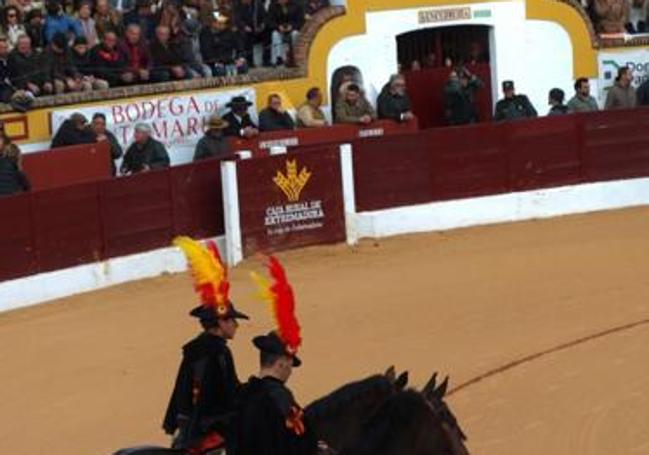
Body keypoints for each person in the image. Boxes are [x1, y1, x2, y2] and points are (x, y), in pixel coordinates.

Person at [163, 237, 250, 454]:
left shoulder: (194, 348)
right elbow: (226, 395)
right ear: (220, 323)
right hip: (207, 431)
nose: (236, 325)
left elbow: (184, 390)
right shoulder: (219, 352)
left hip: (187, 427)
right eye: (231, 320)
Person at [232, 257, 318, 455]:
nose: (290, 370)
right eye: (289, 363)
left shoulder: (244, 394)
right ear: (280, 363)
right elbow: (301, 439)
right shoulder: (280, 397)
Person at [267, 0, 304, 66]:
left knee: (295, 34)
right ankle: (279, 58)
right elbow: (270, 21)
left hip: (293, 30)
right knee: (274, 34)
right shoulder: (272, 6)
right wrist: (278, 27)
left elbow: (300, 21)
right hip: (279, 30)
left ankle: (296, 57)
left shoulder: (297, 5)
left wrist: (292, 27)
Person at [234, 0, 268, 66]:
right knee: (243, 35)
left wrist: (262, 26)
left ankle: (266, 60)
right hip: (247, 29)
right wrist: (244, 26)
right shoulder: (238, 5)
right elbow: (238, 19)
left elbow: (264, 17)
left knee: (267, 34)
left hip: (258, 29)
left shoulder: (258, 4)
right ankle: (249, 61)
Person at [0, 38, 15, 103]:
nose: (5, 50)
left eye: (6, 47)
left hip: (13, 87)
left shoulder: (11, 60)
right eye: (2, 48)